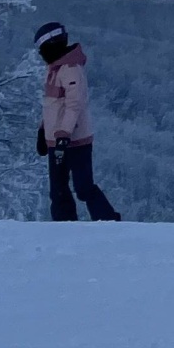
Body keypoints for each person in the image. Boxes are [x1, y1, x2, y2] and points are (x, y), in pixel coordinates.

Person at [35, 21, 120, 221]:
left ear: (53, 45)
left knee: (83, 187)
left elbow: (75, 104)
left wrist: (64, 133)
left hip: (76, 141)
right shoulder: (54, 70)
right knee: (58, 189)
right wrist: (43, 130)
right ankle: (64, 227)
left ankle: (108, 221)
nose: (41, 54)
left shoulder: (71, 69)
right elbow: (53, 106)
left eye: (43, 48)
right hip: (55, 141)